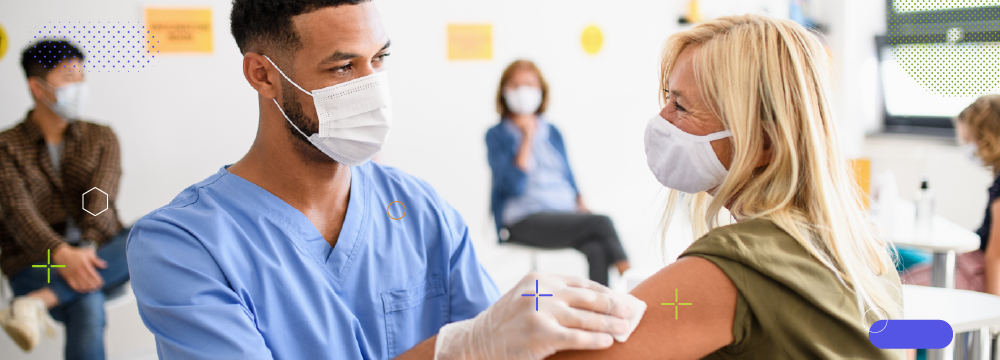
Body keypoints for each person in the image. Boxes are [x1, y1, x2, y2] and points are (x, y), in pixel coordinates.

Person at [125, 1, 640, 359]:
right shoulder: (182, 245)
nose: (372, 86)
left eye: (380, 59)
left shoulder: (420, 209)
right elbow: (483, 343)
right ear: (263, 75)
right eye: (344, 67)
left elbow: (505, 340)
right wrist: (460, 351)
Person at [548, 14, 904, 359]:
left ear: (765, 142)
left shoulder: (741, 265)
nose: (662, 121)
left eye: (680, 105)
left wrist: (498, 326)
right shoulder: (865, 249)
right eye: (667, 99)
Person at [0, 40, 132, 360]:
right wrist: (62, 254)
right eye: (68, 77)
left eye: (81, 76)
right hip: (38, 261)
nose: (79, 85)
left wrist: (84, 249)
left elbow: (99, 197)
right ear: (38, 87)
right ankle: (41, 295)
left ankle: (36, 302)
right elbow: (19, 213)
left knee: (147, 233)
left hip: (95, 249)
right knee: (88, 300)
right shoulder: (6, 146)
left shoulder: (100, 136)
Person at [486, 60, 630, 286]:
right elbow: (514, 186)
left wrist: (579, 201)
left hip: (562, 213)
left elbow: (567, 175)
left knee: (597, 247)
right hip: (523, 220)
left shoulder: (553, 132)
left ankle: (600, 313)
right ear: (504, 92)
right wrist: (527, 138)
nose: (523, 91)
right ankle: (636, 285)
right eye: (515, 85)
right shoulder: (496, 135)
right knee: (602, 223)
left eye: (529, 84)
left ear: (541, 91)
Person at [901, 95, 999, 294]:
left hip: (977, 270)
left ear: (985, 138)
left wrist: (994, 310)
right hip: (968, 261)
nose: (970, 148)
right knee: (897, 268)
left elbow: (995, 256)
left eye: (969, 140)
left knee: (896, 290)